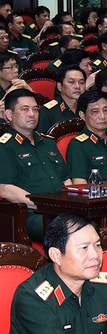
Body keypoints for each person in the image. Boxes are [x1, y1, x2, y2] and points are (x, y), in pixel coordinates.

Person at [0, 89, 72, 241]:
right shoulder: (5, 146)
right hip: (32, 214)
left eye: (35, 109)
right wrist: (46, 206)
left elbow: (66, 180)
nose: (32, 114)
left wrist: (71, 205)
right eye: (25, 109)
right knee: (70, 230)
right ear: (9, 114)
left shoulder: (49, 142)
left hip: (62, 210)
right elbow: (5, 189)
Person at [37, 65, 86, 133]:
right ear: (60, 86)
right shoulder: (47, 112)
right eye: (71, 82)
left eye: (81, 83)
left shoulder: (87, 108)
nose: (77, 86)